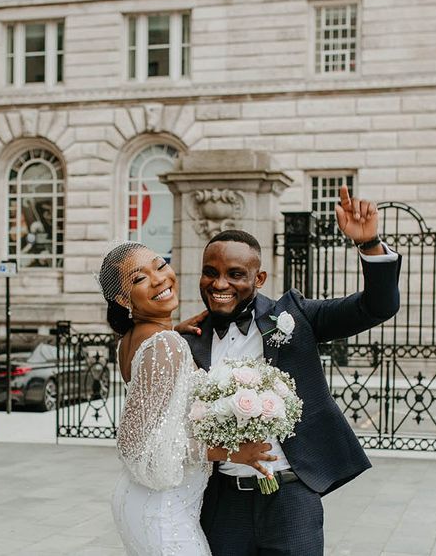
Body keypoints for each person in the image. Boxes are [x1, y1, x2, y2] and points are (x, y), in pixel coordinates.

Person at [178, 186, 402, 555]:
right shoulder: (191, 338)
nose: (219, 284)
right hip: (221, 504)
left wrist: (370, 244)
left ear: (259, 278)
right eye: (210, 273)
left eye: (235, 274)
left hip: (291, 497)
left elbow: (376, 307)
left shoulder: (294, 316)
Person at [100, 241, 277, 556]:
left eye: (160, 265)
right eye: (140, 278)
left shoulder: (133, 339)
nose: (159, 279)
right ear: (123, 298)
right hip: (162, 509)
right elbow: (139, 446)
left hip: (148, 503)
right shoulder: (164, 344)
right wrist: (232, 453)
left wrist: (172, 335)